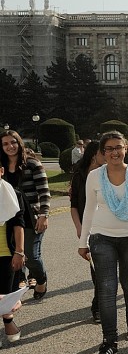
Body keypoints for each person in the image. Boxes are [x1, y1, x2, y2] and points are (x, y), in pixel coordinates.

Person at [78, 131, 128, 354]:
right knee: (107, 289)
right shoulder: (94, 176)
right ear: (102, 152)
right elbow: (89, 210)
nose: (114, 153)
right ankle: (109, 342)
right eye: (109, 149)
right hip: (102, 238)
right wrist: (83, 241)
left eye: (118, 147)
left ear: (126, 147)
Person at [0, 129, 50, 301]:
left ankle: (41, 279)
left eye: (13, 142)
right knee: (13, 253)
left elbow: (44, 192)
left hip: (32, 217)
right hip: (9, 218)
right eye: (5, 143)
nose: (10, 146)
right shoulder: (2, 166)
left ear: (19, 143)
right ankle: (18, 285)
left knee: (31, 256)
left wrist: (44, 215)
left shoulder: (32, 164)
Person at [70, 140, 103, 322]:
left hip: (108, 228)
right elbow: (74, 205)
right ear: (94, 155)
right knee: (97, 269)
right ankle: (98, 306)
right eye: (104, 152)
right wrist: (79, 228)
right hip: (87, 228)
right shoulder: (79, 176)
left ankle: (100, 303)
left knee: (106, 269)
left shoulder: (109, 173)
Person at [0, 167, 26, 342]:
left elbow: (19, 224)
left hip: (6, 252)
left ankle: (8, 320)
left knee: (6, 292)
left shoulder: (12, 194)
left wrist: (19, 251)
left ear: (1, 171)